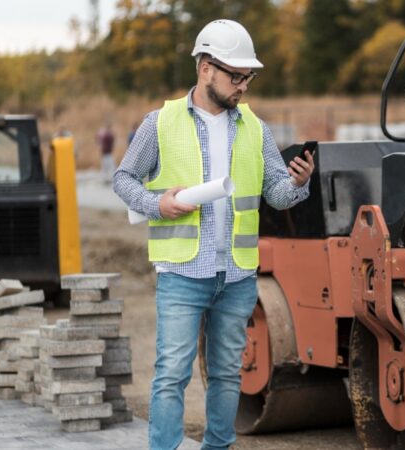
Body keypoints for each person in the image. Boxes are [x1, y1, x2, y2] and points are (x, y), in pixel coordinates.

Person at [113, 19, 314, 450]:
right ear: (206, 68)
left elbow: (275, 195)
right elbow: (124, 179)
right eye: (236, 76)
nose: (243, 86)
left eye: (248, 78)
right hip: (183, 272)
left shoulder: (256, 129)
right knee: (172, 373)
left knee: (226, 373)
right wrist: (156, 203)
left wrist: (297, 185)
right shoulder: (160, 123)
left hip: (237, 276)